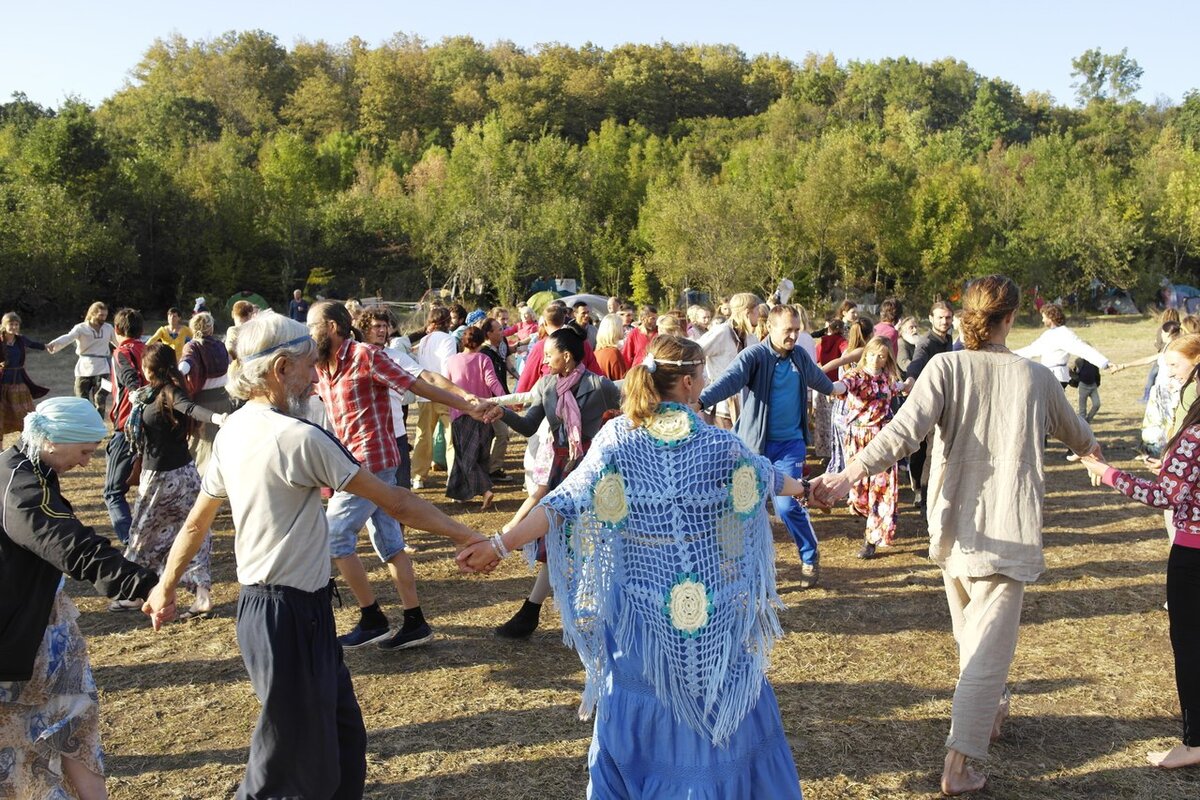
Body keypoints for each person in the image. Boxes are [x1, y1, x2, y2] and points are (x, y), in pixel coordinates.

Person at [142, 313, 490, 800]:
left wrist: (166, 584)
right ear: (281, 369)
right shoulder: (299, 438)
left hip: (286, 611)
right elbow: (397, 501)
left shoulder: (235, 431)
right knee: (285, 765)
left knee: (342, 740)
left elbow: (199, 521)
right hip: (284, 616)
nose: (315, 377)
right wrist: (471, 535)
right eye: (308, 366)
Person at [457, 335, 807, 799]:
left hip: (640, 611)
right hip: (705, 613)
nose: (704, 382)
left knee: (642, 700)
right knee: (715, 697)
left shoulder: (619, 438)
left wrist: (500, 544)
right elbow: (766, 476)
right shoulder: (719, 444)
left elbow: (563, 503)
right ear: (687, 382)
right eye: (702, 375)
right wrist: (811, 490)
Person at [812, 275, 1100, 795]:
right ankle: (959, 764)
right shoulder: (1032, 377)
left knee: (973, 638)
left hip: (956, 527)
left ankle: (988, 711)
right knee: (987, 652)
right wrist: (1097, 460)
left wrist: (846, 474)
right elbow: (1081, 437)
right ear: (1010, 318)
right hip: (1004, 530)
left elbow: (901, 434)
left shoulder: (955, 367)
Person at [308, 302, 498, 650]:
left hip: (373, 461)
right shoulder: (320, 364)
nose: (308, 333)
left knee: (335, 537)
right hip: (349, 462)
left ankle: (373, 618)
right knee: (392, 544)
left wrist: (468, 403)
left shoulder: (366, 356)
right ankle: (415, 622)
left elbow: (418, 383)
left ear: (334, 326)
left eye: (313, 326)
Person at [0, 397, 158, 800]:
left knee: (72, 723)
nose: (89, 463)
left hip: (37, 624)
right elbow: (72, 546)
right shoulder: (21, 488)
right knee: (35, 740)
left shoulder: (27, 468)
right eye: (86, 451)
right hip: (20, 637)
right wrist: (144, 585)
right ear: (55, 441)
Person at [1079, 337, 1200, 768]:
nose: (1168, 375)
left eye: (1174, 367)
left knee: (1190, 648)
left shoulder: (1194, 435)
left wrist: (1106, 471)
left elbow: (1164, 498)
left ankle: (1194, 742)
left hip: (1192, 556)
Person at [699, 305, 847, 588]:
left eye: (797, 330)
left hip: (790, 445)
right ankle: (746, 569)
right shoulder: (755, 356)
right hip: (755, 446)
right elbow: (729, 381)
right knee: (745, 508)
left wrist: (838, 389)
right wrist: (701, 401)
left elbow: (817, 378)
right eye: (787, 330)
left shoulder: (800, 357)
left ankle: (809, 555)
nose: (793, 335)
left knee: (787, 505)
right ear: (770, 328)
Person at [494, 328, 621, 639]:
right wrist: (501, 413)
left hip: (596, 471)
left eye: (548, 354)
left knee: (594, 541)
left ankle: (538, 611)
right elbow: (527, 426)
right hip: (562, 469)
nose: (543, 359)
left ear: (566, 356)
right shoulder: (547, 385)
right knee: (560, 540)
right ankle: (533, 611)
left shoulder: (600, 386)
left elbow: (628, 414)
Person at [115, 343, 227, 619]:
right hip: (177, 476)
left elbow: (191, 409)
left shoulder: (169, 392)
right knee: (176, 532)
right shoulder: (147, 393)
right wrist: (120, 357)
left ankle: (140, 591)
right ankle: (178, 593)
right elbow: (128, 377)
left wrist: (218, 418)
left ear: (150, 368)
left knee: (146, 533)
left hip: (167, 478)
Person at [839, 337, 912, 558]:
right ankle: (866, 517)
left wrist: (908, 384)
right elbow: (841, 386)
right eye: (872, 353)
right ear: (865, 354)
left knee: (882, 489)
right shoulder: (856, 376)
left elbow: (899, 387)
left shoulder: (887, 379)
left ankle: (871, 539)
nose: (875, 358)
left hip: (883, 439)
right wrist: (825, 384)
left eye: (881, 355)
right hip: (858, 438)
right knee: (859, 491)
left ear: (887, 358)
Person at [444, 326, 504, 509]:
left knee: (464, 456)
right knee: (480, 456)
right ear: (481, 340)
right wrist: (504, 400)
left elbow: (446, 386)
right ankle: (460, 493)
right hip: (484, 413)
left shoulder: (452, 361)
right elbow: (492, 381)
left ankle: (484, 490)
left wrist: (449, 408)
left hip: (460, 413)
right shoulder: (483, 359)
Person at [904, 302, 955, 507]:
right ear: (931, 319)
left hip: (943, 403)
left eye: (948, 318)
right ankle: (920, 492)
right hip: (924, 402)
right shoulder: (926, 343)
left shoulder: (949, 339)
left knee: (933, 450)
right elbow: (916, 362)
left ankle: (925, 495)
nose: (944, 321)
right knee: (921, 450)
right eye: (940, 317)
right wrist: (910, 379)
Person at [103, 308, 147, 545]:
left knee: (112, 492)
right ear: (141, 330)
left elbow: (133, 383)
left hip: (128, 428)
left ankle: (132, 544)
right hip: (153, 427)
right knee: (147, 489)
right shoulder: (149, 350)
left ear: (117, 330)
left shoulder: (122, 352)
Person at [411, 306, 459, 489]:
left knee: (423, 435)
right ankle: (452, 476)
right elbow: (449, 366)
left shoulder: (423, 340)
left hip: (424, 392)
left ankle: (418, 476)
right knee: (450, 437)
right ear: (447, 322)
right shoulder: (448, 339)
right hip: (443, 392)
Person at [697, 293, 760, 430]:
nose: (759, 315)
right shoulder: (722, 332)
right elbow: (695, 352)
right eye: (757, 311)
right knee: (725, 448)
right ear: (747, 312)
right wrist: (702, 383)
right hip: (722, 405)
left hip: (745, 402)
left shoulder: (750, 337)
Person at [1014, 303, 1113, 386]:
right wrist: (1009, 353)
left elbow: (1084, 349)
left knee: (1052, 408)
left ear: (1051, 317)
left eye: (1044, 317)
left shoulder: (1064, 334)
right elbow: (1032, 349)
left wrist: (1105, 363)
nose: (1042, 320)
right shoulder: (1049, 334)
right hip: (1048, 377)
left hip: (1056, 378)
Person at [46, 301, 115, 414]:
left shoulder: (108, 328)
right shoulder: (81, 328)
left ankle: (98, 427)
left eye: (105, 315)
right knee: (82, 401)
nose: (104, 318)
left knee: (101, 399)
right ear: (92, 314)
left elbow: (118, 343)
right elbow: (68, 338)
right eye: (101, 315)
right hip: (84, 368)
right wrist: (54, 344)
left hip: (104, 368)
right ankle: (86, 426)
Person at [0, 312, 49, 443]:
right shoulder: (0, 340)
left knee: (25, 414)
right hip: (2, 383)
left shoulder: (20, 339)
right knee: (1, 415)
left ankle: (29, 443)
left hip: (19, 382)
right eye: (11, 324)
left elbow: (33, 344)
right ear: (4, 325)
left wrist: (46, 346)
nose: (14, 327)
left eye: (16, 324)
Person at [593, 313, 629, 381]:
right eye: (621, 326)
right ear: (615, 330)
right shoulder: (614, 353)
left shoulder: (596, 353)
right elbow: (623, 383)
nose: (624, 329)